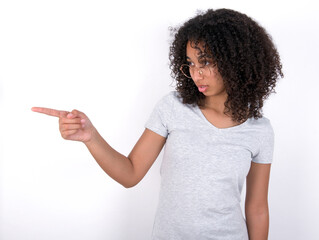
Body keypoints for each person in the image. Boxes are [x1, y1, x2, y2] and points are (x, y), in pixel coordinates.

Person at [32, 8, 283, 240]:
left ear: (236, 61)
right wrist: (91, 137)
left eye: (205, 61)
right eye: (191, 63)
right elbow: (130, 174)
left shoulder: (259, 131)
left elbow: (257, 208)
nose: (196, 73)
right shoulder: (173, 107)